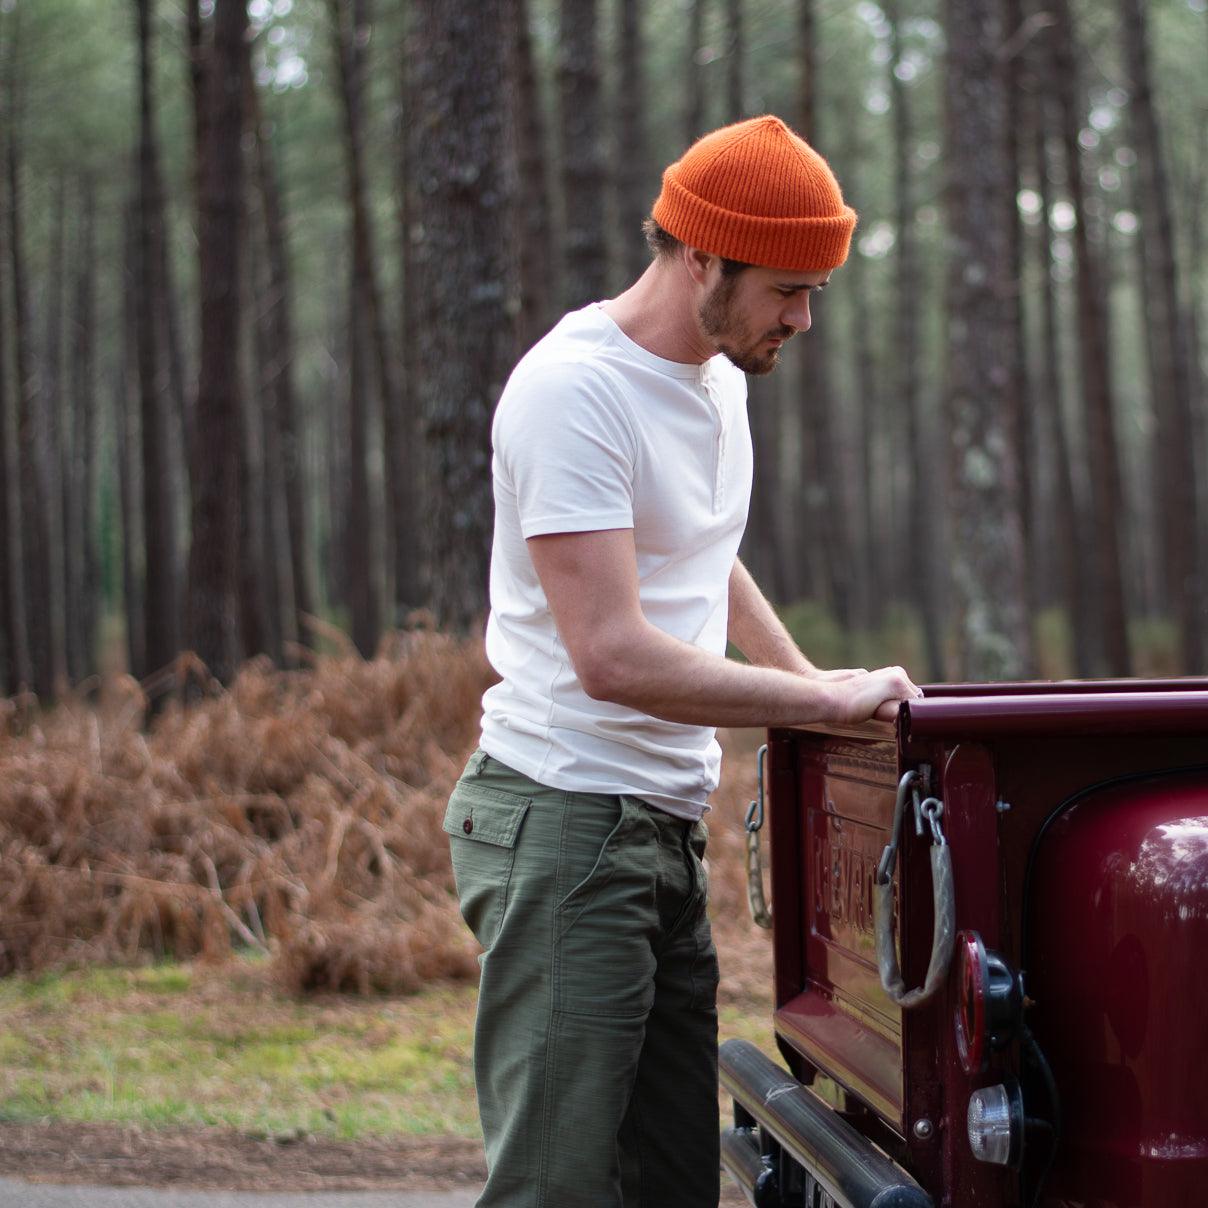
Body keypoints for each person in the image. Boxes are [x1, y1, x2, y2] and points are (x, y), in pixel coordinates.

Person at [444, 115, 922, 1208]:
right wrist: (813, 700)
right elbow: (610, 656)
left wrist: (820, 690)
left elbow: (700, 551)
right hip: (562, 820)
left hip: (659, 824)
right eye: (786, 290)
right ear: (702, 256)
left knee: (670, 1180)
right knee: (558, 1187)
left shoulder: (716, 377)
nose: (802, 318)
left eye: (814, 292)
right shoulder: (574, 391)